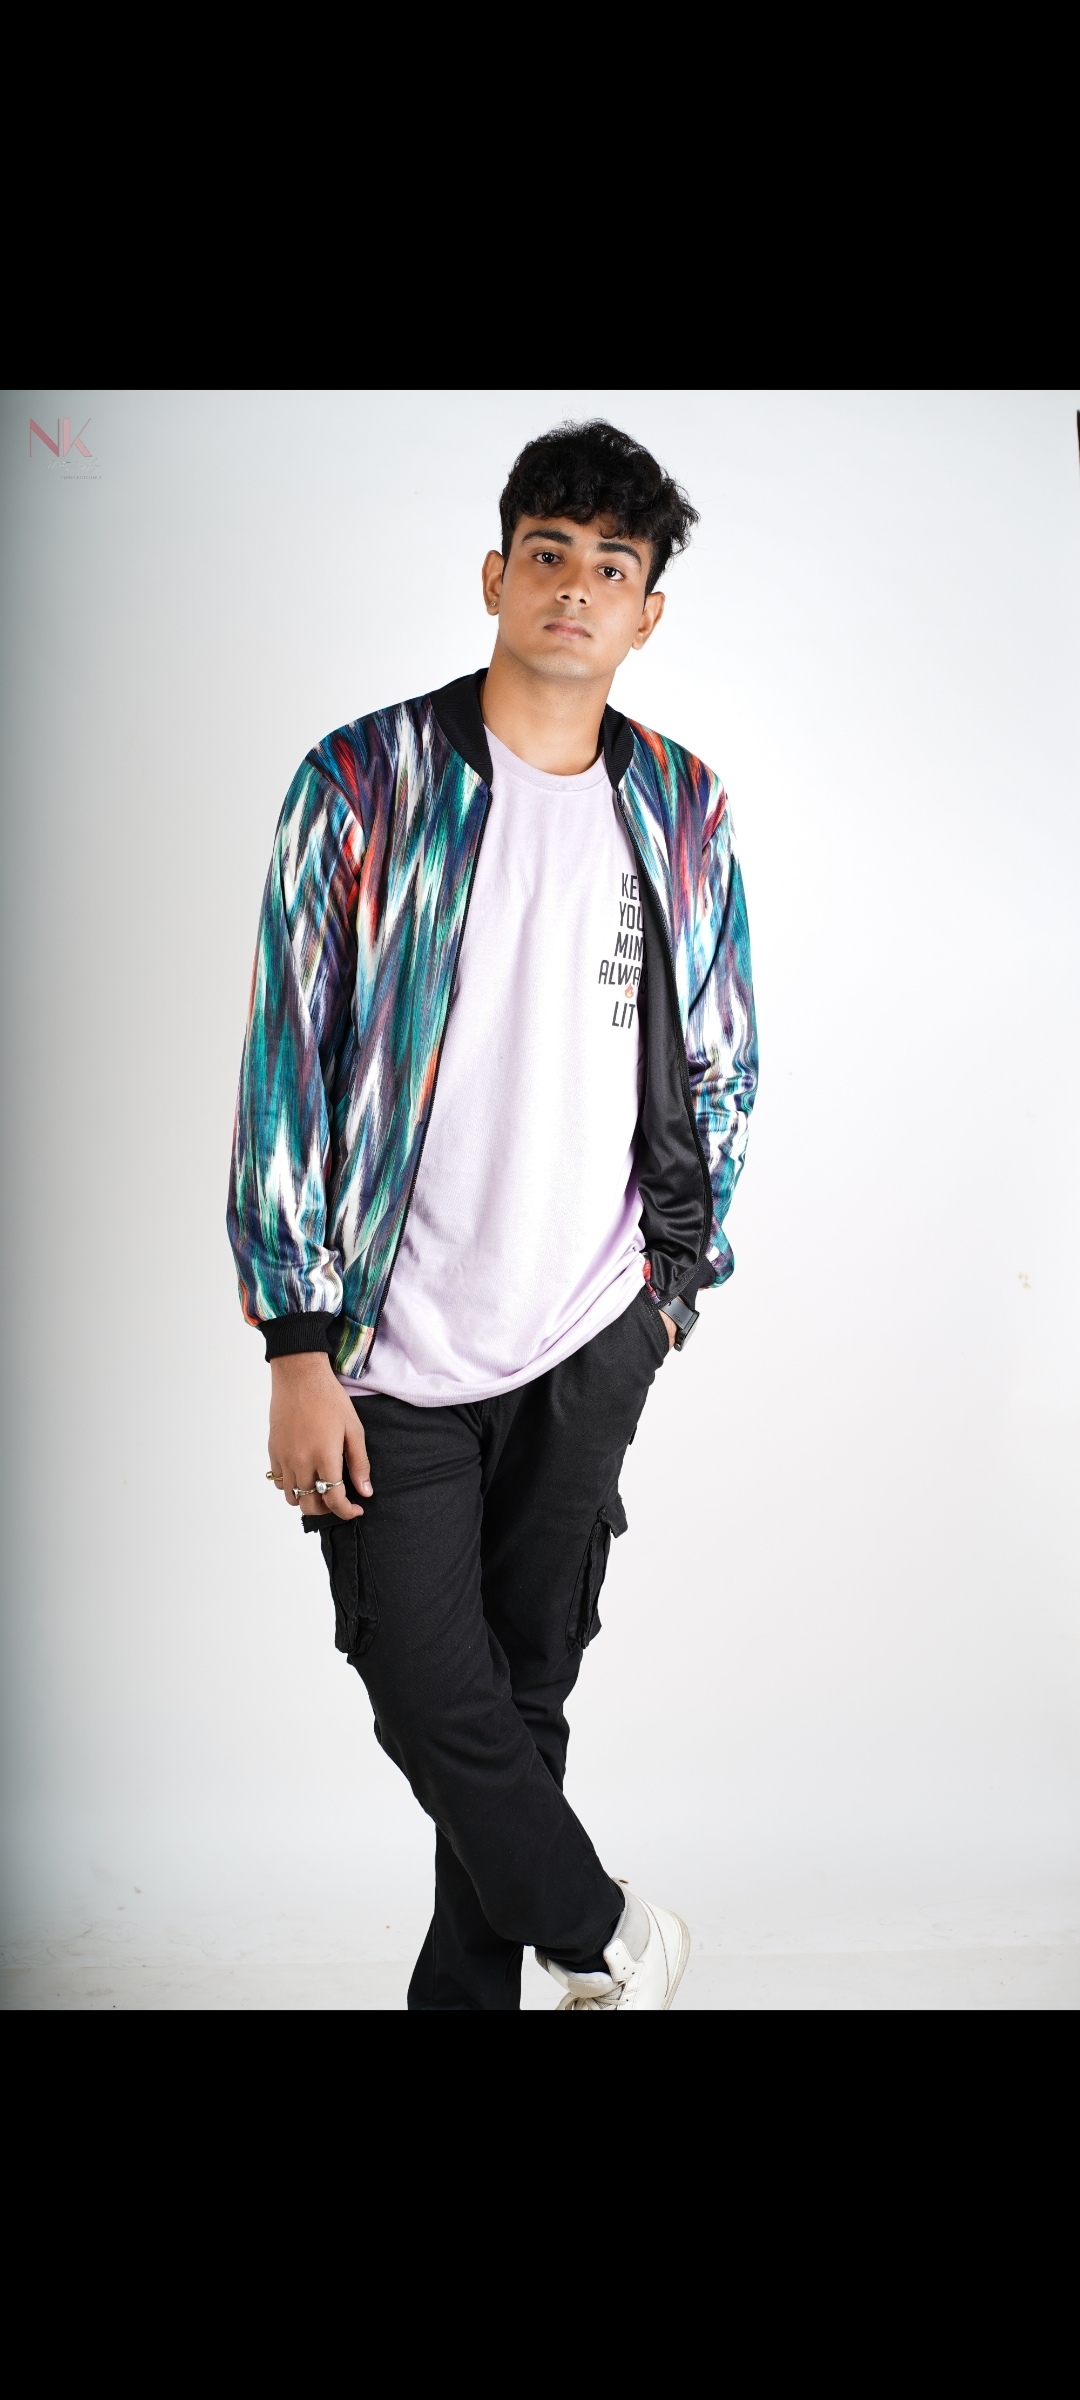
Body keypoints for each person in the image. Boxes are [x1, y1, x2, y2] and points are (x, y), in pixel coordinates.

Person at [228, 419, 757, 2010]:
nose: (576, 589)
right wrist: (298, 1344)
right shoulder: (363, 781)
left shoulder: (680, 805)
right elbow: (286, 1067)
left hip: (591, 1327)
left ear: (647, 610)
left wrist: (668, 1293)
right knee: (423, 1679)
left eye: (612, 566)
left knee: (524, 1695)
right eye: (550, 555)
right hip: (386, 1344)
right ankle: (611, 1936)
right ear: (495, 575)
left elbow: (723, 1058)